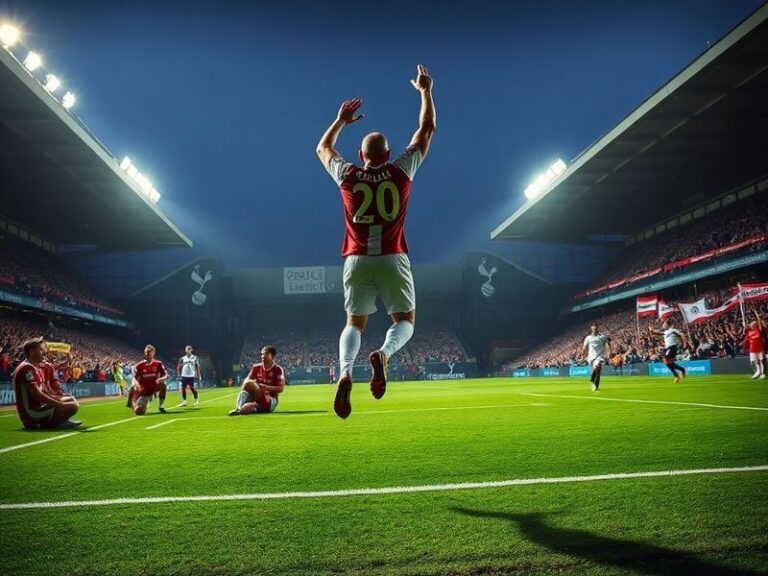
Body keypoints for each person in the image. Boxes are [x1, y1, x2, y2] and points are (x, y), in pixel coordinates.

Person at [316, 64, 436, 418]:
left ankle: (345, 373)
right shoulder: (401, 171)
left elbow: (323, 148)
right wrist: (425, 91)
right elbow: (426, 130)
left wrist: (340, 121)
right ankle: (383, 354)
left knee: (354, 323)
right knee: (406, 321)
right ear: (387, 153)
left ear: (361, 155)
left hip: (356, 258)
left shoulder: (348, 174)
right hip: (393, 256)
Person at [12, 337, 81, 429]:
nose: (43, 352)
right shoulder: (26, 369)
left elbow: (43, 392)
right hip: (32, 413)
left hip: (38, 408)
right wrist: (61, 404)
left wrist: (58, 399)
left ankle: (60, 421)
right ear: (31, 352)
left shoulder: (35, 368)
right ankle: (44, 423)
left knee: (71, 401)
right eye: (40, 349)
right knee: (72, 406)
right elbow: (37, 395)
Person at [229, 346, 285, 415]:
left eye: (266, 354)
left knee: (250, 383)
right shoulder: (256, 367)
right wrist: (254, 385)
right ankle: (239, 408)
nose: (263, 356)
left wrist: (265, 387)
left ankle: (239, 408)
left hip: (270, 400)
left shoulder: (278, 369)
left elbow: (281, 388)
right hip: (257, 399)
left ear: (273, 357)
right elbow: (246, 382)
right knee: (245, 410)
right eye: (262, 354)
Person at [128, 344, 168, 415]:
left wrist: (160, 379)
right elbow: (133, 377)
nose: (146, 354)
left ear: (153, 352)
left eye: (148, 352)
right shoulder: (139, 365)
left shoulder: (158, 363)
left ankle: (161, 406)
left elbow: (166, 375)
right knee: (138, 412)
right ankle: (135, 403)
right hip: (143, 391)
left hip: (153, 387)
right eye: (145, 352)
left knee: (163, 384)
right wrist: (135, 382)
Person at [580, 324, 612, 391]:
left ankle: (593, 380)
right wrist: (582, 356)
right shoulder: (588, 338)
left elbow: (609, 340)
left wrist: (609, 351)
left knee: (598, 367)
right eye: (593, 328)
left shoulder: (602, 336)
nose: (594, 329)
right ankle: (595, 385)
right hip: (591, 357)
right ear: (591, 329)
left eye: (595, 328)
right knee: (597, 372)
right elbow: (583, 348)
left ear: (597, 328)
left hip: (599, 356)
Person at [743, 311, 766, 379]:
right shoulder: (749, 332)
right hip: (752, 349)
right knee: (754, 361)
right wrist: (742, 343)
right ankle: (758, 371)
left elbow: (759, 321)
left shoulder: (759, 330)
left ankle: (762, 373)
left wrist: (756, 313)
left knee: (761, 360)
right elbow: (746, 339)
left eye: (754, 323)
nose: (753, 324)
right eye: (752, 324)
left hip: (760, 348)